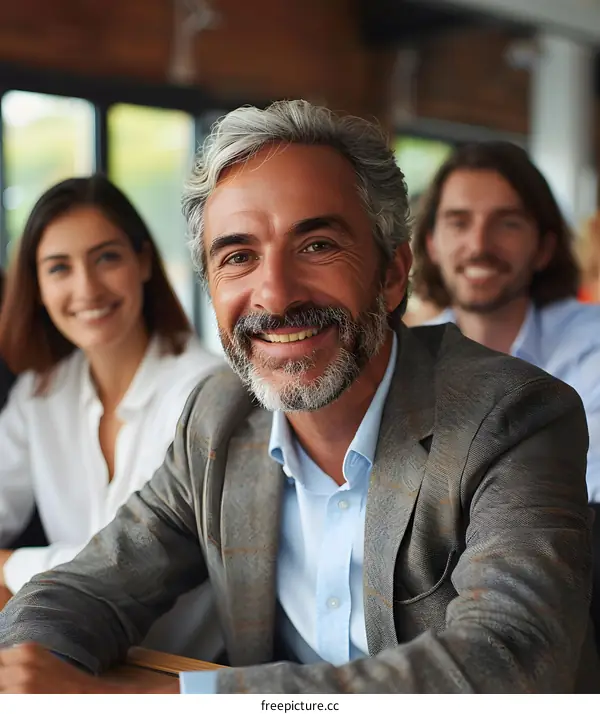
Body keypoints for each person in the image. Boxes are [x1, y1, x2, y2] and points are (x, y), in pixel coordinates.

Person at [0, 101, 597, 694]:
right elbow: (91, 584)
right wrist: (29, 666)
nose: (276, 296)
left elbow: (510, 658)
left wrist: (178, 701)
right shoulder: (218, 418)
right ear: (209, 287)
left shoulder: (514, 416)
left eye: (316, 246)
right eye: (238, 257)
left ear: (392, 275)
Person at [0, 176, 222, 612]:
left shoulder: (206, 392)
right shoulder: (39, 394)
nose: (87, 289)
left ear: (142, 262)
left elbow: (137, 563)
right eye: (59, 267)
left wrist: (9, 568)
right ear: (39, 287)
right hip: (75, 643)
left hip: (174, 667)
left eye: (106, 258)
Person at [410, 142, 600, 501]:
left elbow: (589, 496)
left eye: (507, 223)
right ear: (432, 244)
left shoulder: (591, 342)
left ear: (543, 248)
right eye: (459, 222)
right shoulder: (408, 357)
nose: (479, 244)